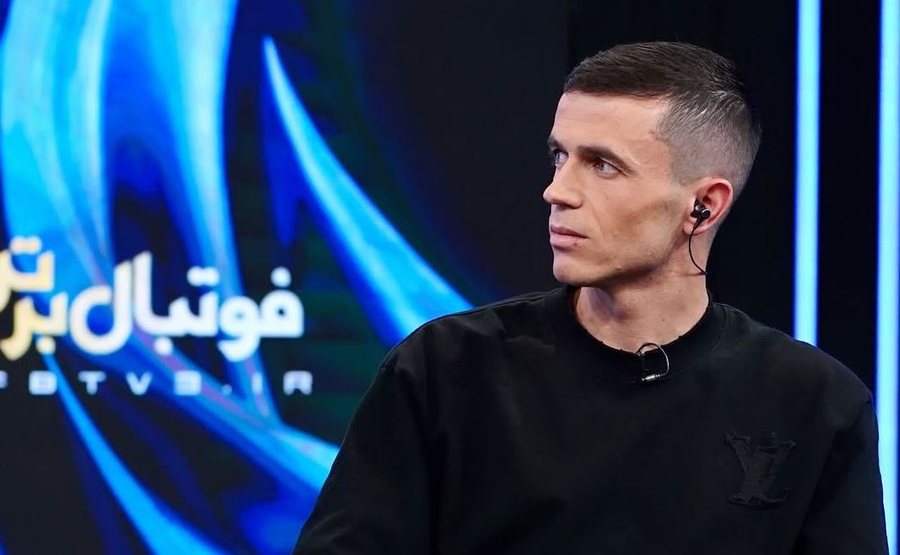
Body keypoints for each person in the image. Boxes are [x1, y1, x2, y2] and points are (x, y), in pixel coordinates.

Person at [292, 42, 888, 554]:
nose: (557, 191)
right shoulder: (444, 371)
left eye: (602, 165)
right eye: (561, 156)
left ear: (703, 206)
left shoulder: (814, 403)